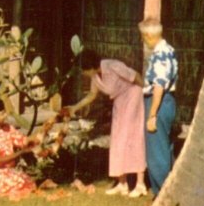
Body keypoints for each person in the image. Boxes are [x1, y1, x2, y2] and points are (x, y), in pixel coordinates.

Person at [62, 50, 147, 198]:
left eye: (83, 70)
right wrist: (74, 107)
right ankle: (122, 183)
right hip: (120, 102)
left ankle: (140, 184)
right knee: (117, 140)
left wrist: (148, 98)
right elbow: (91, 95)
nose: (83, 73)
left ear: (90, 66)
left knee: (132, 138)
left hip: (133, 98)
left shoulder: (113, 65)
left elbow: (136, 77)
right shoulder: (95, 76)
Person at [139, 18, 178, 197]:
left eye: (142, 36)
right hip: (165, 102)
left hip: (159, 103)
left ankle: (162, 196)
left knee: (156, 153)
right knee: (164, 148)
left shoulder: (161, 53)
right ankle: (169, 190)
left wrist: (152, 114)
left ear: (147, 35)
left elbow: (159, 86)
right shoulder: (168, 50)